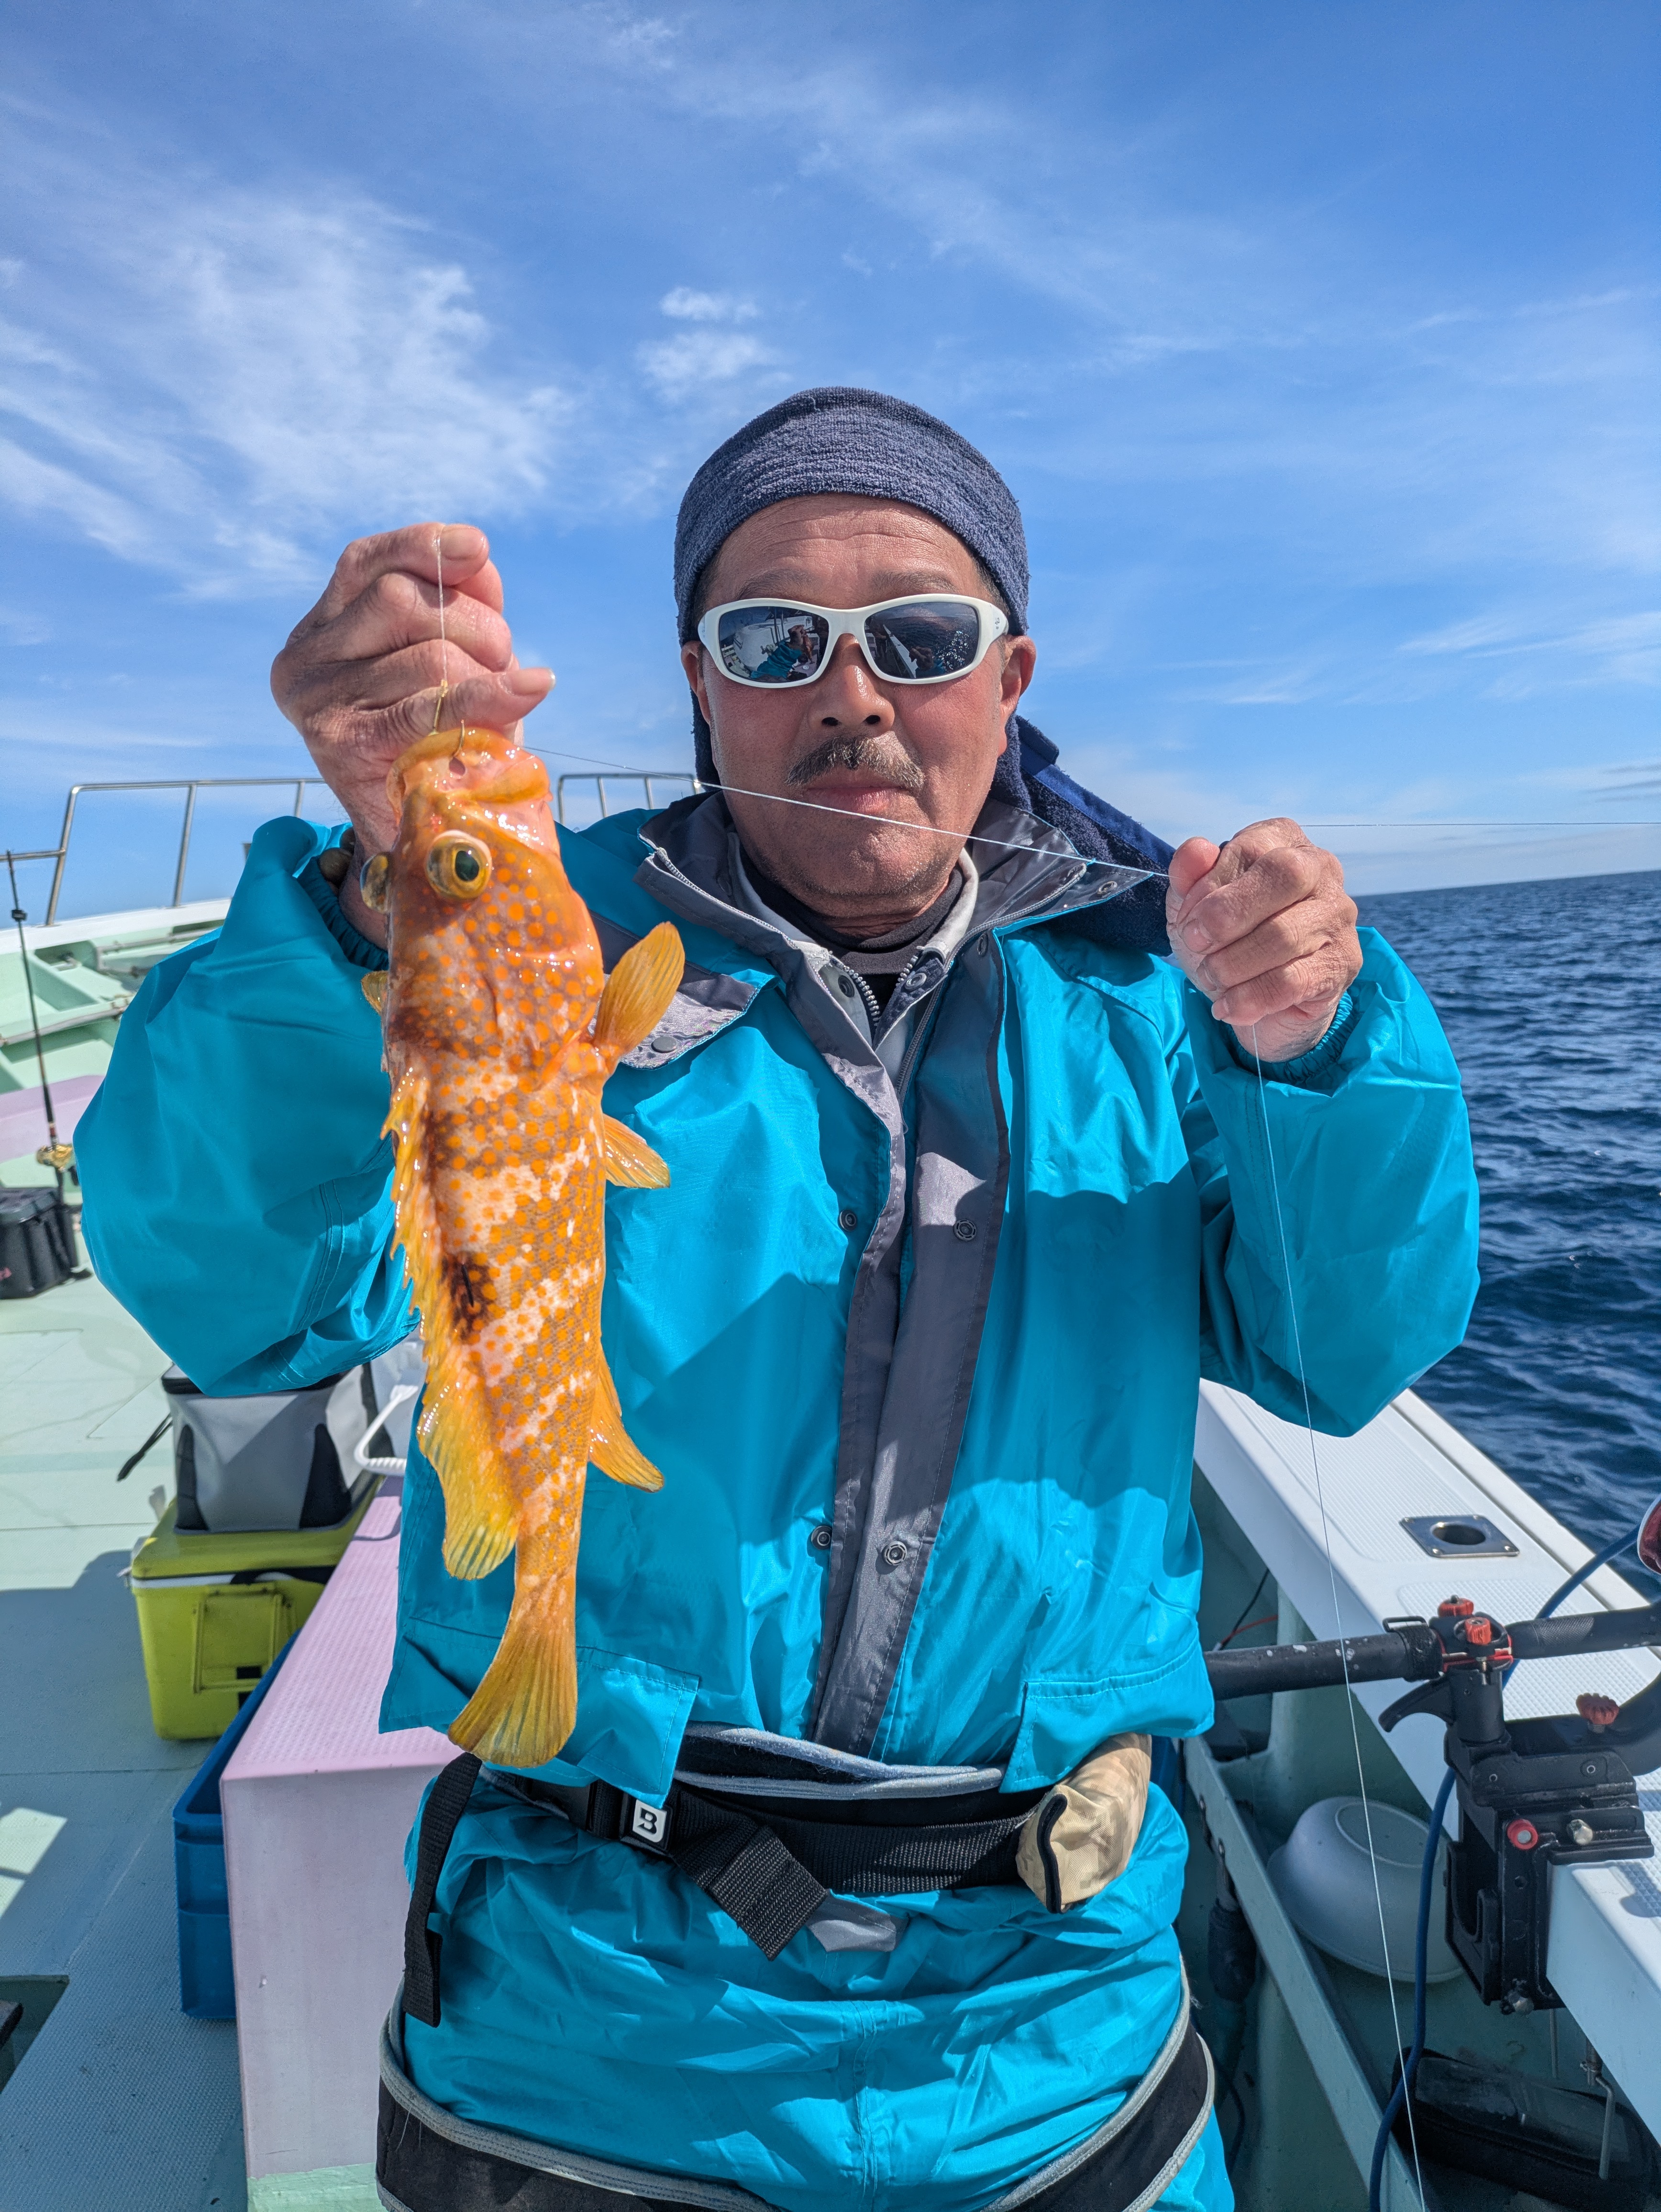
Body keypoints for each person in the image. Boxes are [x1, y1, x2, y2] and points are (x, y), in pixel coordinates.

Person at [77, 387, 1479, 2212]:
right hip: (586, 2039)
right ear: (700, 683)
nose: (854, 694)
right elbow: (239, 1298)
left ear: (1011, 678)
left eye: (922, 636)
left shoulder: (1149, 997)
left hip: (1061, 2043)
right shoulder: (528, 938)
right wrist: (375, 901)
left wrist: (1319, 1056)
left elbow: (1339, 1351)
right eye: (774, 640)